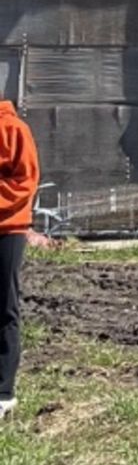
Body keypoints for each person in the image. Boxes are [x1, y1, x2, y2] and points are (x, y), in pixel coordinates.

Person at [0, 98, 41, 422]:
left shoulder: (14, 129)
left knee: (4, 307)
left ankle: (3, 393)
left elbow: (25, 181)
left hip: (7, 230)